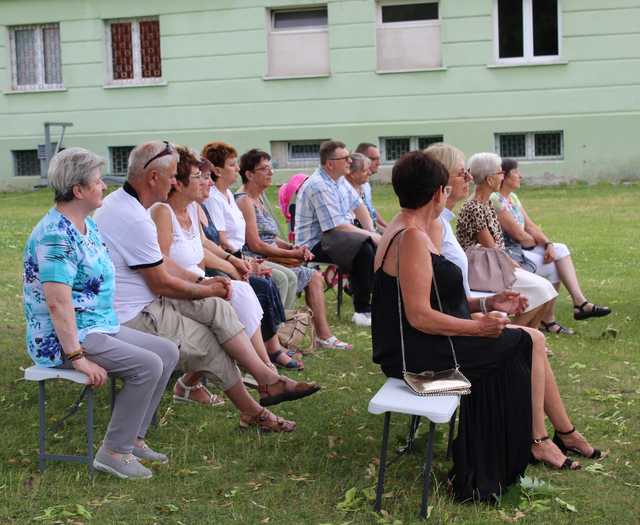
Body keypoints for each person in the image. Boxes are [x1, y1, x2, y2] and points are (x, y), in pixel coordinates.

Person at [372, 150, 601, 502]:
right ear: (438, 192)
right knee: (517, 346)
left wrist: (487, 304)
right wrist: (478, 329)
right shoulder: (412, 237)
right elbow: (419, 315)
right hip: (418, 365)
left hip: (419, 349)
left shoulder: (405, 228)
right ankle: (495, 464)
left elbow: (431, 301)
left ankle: (513, 451)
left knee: (521, 342)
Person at [95, 141, 320, 433]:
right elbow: (161, 279)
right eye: (174, 175)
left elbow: (165, 263)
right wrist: (207, 286)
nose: (176, 181)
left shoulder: (129, 206)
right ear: (153, 178)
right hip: (133, 314)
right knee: (211, 336)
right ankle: (257, 402)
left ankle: (266, 382)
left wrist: (206, 281)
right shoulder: (136, 216)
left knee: (218, 305)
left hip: (147, 302)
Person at [24, 147, 179, 479]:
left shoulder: (86, 226)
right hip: (63, 338)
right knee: (147, 365)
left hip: (96, 325)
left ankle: (132, 437)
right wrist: (77, 357)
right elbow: (57, 303)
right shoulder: (55, 236)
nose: (104, 186)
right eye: (97, 182)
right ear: (78, 190)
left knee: (166, 351)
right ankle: (114, 451)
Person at [152, 145, 303, 371]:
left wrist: (234, 263)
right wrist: (219, 273)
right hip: (180, 290)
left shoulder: (191, 208)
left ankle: (263, 363)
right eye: (200, 177)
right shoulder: (162, 212)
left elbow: (204, 244)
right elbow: (161, 261)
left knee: (246, 289)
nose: (208, 183)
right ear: (179, 183)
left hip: (200, 280)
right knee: (246, 290)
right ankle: (263, 364)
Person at [236, 148, 352, 350]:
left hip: (271, 255)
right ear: (249, 174)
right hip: (255, 258)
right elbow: (256, 244)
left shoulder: (260, 198)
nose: (270, 172)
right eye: (264, 169)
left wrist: (293, 247)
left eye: (270, 167)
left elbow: (271, 238)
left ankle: (323, 337)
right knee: (286, 277)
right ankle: (278, 337)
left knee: (314, 276)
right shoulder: (244, 200)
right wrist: (292, 254)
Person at [491, 158, 611, 334]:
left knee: (559, 250)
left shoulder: (513, 198)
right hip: (511, 251)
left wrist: (548, 244)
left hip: (522, 247)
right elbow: (519, 234)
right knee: (551, 266)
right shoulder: (495, 199)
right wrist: (534, 240)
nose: (520, 176)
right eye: (516, 173)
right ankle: (548, 320)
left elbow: (530, 226)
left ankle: (579, 302)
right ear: (505, 176)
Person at [456, 152, 558, 328]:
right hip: (483, 270)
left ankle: (529, 337)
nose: (502, 176)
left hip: (494, 265)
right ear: (489, 179)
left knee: (545, 289)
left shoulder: (486, 203)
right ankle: (516, 333)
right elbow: (491, 247)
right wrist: (512, 263)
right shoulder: (475, 207)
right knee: (543, 289)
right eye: (499, 173)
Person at [201, 141, 296, 311]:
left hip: (241, 256)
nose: (237, 169)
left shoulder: (228, 193)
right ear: (217, 171)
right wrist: (244, 261)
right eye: (232, 164)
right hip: (231, 258)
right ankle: (273, 329)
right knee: (280, 278)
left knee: (287, 277)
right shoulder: (214, 199)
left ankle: (282, 326)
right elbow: (223, 242)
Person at [295, 140, 380, 327]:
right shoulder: (318, 185)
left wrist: (372, 232)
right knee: (364, 249)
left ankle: (376, 304)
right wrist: (371, 237)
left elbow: (359, 205)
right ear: (330, 164)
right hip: (313, 245)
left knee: (371, 245)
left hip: (335, 238)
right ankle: (362, 311)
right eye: (345, 158)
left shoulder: (339, 180)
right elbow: (336, 226)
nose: (350, 161)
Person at [354, 142, 388, 231]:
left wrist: (387, 226)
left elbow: (371, 210)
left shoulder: (366, 184)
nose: (378, 163)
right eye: (373, 159)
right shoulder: (354, 186)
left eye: (378, 159)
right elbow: (365, 222)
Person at [344, 153, 380, 231]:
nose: (369, 173)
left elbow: (372, 220)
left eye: (369, 169)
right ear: (352, 174)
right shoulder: (345, 195)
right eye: (365, 171)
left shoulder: (364, 188)